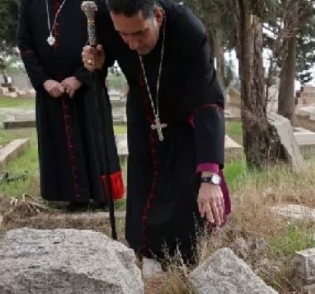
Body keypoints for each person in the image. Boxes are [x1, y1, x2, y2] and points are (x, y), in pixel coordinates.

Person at [81, 0, 230, 265]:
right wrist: (98, 63)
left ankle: (185, 258)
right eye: (123, 35)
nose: (132, 44)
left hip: (183, 114)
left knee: (183, 190)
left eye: (139, 33)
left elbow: (208, 101)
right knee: (143, 184)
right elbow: (102, 60)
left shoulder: (189, 31)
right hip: (142, 110)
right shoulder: (104, 19)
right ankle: (144, 251)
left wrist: (210, 177)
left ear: (158, 16)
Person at [17, 0, 125, 211]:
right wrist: (44, 80)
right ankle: (73, 197)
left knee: (95, 141)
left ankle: (102, 196)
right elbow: (25, 44)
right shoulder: (30, 4)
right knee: (59, 144)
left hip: (87, 87)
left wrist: (80, 77)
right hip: (51, 91)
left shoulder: (94, 2)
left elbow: (106, 43)